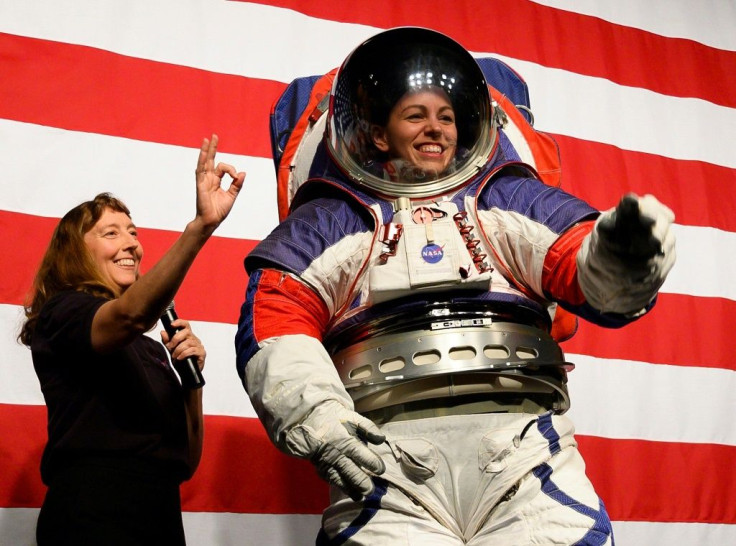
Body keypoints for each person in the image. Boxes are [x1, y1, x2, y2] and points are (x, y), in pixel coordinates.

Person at [235, 28, 675, 545]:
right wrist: (319, 418)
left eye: (446, 116)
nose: (435, 129)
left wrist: (625, 254)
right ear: (379, 134)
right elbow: (278, 319)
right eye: (416, 116)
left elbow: (578, 265)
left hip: (522, 454)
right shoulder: (330, 221)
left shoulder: (508, 200)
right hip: (388, 467)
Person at [19, 135, 245, 546]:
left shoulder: (147, 346)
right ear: (76, 252)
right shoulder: (64, 313)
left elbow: (186, 461)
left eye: (133, 232)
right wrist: (201, 227)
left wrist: (191, 381)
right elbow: (129, 315)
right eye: (111, 233)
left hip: (158, 516)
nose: (132, 244)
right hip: (94, 516)